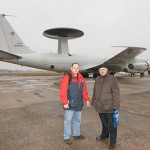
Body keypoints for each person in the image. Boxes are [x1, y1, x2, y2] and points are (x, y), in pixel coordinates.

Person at [60, 62, 90, 145]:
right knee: (68, 121)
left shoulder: (81, 78)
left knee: (77, 120)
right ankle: (66, 137)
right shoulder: (67, 77)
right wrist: (65, 102)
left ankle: (76, 134)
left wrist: (87, 99)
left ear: (78, 69)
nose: (76, 69)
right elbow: (63, 91)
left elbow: (84, 90)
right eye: (74, 68)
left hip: (79, 103)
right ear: (71, 68)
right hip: (70, 103)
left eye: (77, 68)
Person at [91, 64, 120, 149]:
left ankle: (112, 142)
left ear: (107, 70)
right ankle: (104, 135)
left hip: (109, 107)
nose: (102, 71)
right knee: (104, 124)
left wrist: (115, 106)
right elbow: (94, 91)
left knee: (112, 126)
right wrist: (93, 102)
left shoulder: (112, 79)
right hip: (100, 106)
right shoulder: (97, 79)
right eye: (100, 69)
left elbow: (116, 93)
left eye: (103, 69)